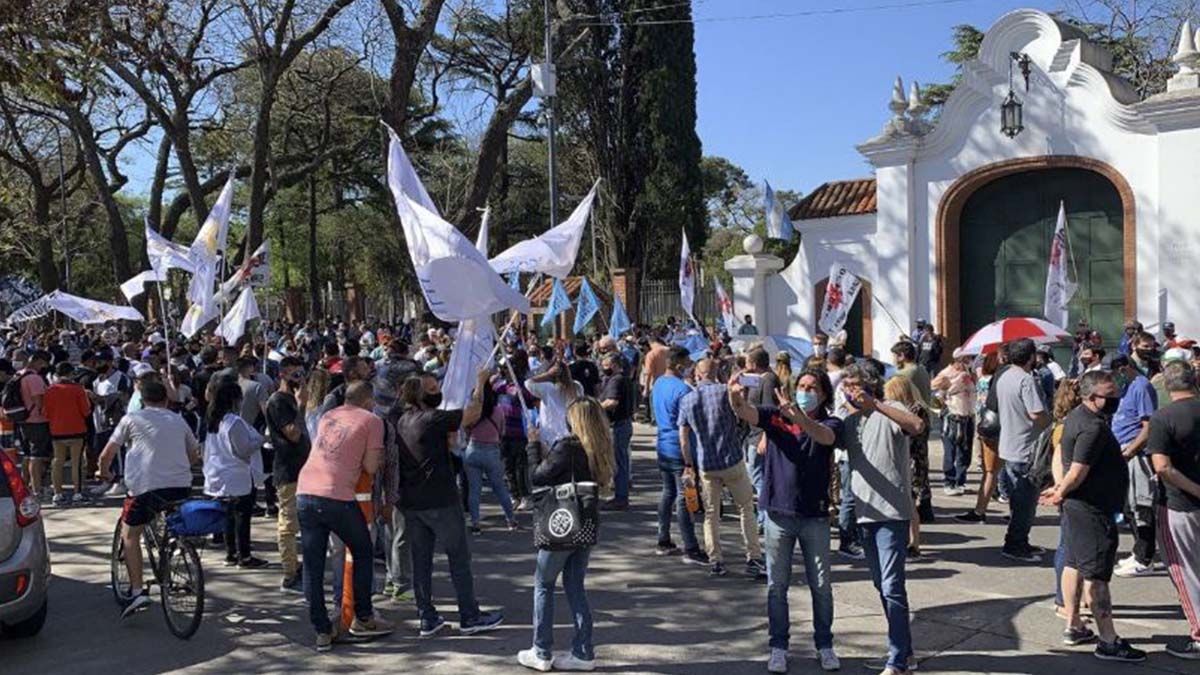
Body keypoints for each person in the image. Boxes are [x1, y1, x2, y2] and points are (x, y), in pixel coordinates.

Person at [730, 366, 843, 674]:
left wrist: (799, 418)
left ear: (822, 394)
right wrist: (735, 397)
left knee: (821, 586)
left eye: (812, 388)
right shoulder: (775, 416)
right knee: (776, 586)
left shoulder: (829, 420)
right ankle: (778, 646)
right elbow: (747, 413)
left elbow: (825, 437)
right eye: (802, 385)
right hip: (778, 514)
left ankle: (825, 644)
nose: (806, 391)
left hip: (815, 516)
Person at [1040, 370, 1146, 663]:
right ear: (1089, 397)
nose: (1115, 400)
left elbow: (1062, 457)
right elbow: (1077, 469)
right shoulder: (1092, 427)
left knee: (1074, 563)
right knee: (1097, 575)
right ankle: (1108, 640)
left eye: (1116, 394)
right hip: (1091, 510)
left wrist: (1061, 490)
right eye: (1108, 396)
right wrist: (1061, 491)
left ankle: (1073, 625)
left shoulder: (1077, 417)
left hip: (1079, 507)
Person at [396, 370, 504, 638]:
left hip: (413, 502)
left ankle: (427, 617)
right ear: (419, 395)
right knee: (458, 557)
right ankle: (469, 615)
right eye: (432, 389)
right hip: (440, 500)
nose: (437, 392)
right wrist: (479, 382)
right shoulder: (432, 418)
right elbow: (473, 413)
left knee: (421, 562)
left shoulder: (404, 420)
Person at [517, 398, 615, 672]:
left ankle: (541, 650)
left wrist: (533, 446)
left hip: (561, 521)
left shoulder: (569, 445)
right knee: (575, 588)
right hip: (586, 522)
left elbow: (537, 476)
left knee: (544, 584)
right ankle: (583, 651)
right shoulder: (599, 445)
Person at [839, 361, 925, 675]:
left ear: (870, 385)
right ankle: (905, 650)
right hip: (864, 514)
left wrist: (875, 403)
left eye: (853, 385)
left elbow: (916, 426)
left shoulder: (890, 408)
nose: (849, 391)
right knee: (881, 584)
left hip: (892, 513)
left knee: (892, 586)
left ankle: (897, 660)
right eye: (845, 385)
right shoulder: (849, 422)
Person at [298, 381, 394, 651]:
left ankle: (321, 629)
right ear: (368, 400)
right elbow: (371, 466)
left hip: (306, 490)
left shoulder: (329, 415)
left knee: (314, 564)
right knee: (363, 550)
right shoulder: (372, 421)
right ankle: (363, 616)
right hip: (337, 495)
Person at [98, 380, 199, 618]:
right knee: (171, 526)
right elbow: (194, 454)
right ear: (166, 400)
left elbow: (107, 454)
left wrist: (104, 472)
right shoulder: (178, 419)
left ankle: (136, 590)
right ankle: (175, 550)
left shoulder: (132, 419)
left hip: (145, 488)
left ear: (142, 400)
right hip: (180, 485)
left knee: (130, 534)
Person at [677, 359, 764, 578]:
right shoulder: (725, 391)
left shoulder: (687, 400)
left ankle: (716, 560)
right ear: (716, 373)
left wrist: (689, 464)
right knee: (745, 508)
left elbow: (684, 438)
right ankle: (754, 556)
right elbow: (741, 411)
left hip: (707, 463)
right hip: (732, 458)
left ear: (697, 374)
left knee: (711, 513)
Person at [1147, 361, 1200, 660]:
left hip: (1180, 505)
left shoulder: (1163, 417)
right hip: (1186, 502)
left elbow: (1162, 467)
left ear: (1167, 386)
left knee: (1184, 570)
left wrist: (1195, 490)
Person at [1103, 353, 1159, 578]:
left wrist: (1133, 449)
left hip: (1135, 454)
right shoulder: (1124, 388)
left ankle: (1145, 558)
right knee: (1128, 507)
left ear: (1124, 368)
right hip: (1122, 452)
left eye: (1113, 374)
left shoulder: (1141, 386)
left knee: (1141, 506)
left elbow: (1149, 425)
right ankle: (1139, 552)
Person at [203, 380, 268, 568]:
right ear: (234, 399)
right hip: (237, 475)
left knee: (229, 517)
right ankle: (244, 556)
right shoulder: (233, 422)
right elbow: (243, 450)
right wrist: (261, 439)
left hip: (220, 473)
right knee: (241, 518)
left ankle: (231, 553)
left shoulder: (214, 421)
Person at [995, 339, 1050, 562]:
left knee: (1019, 500)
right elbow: (1036, 413)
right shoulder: (1025, 380)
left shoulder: (1004, 375)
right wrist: (1052, 420)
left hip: (1010, 444)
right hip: (1026, 448)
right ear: (1030, 357)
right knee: (1025, 502)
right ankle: (1015, 544)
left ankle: (1020, 540)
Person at [651, 347, 704, 563]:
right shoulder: (683, 390)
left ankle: (663, 539)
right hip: (681, 448)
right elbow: (691, 423)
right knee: (684, 497)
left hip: (663, 445)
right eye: (687, 361)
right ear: (679, 364)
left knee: (668, 493)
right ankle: (690, 546)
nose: (690, 365)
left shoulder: (658, 384)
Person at [265, 356, 311, 592]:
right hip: (288, 470)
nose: (299, 378)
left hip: (305, 468)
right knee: (289, 524)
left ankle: (299, 565)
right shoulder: (278, 402)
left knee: (305, 521)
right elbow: (292, 433)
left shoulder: (292, 399)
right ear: (282, 374)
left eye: (301, 373)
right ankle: (289, 573)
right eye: (294, 374)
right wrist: (301, 404)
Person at [884, 376, 932, 557]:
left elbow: (910, 436)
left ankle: (914, 542)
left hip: (912, 460)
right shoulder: (916, 408)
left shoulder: (915, 411)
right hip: (912, 459)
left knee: (909, 503)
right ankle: (911, 540)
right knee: (908, 502)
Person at [463, 382, 518, 534]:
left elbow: (465, 428)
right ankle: (511, 520)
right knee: (500, 488)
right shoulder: (498, 411)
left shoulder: (472, 411)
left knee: (474, 490)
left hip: (473, 449)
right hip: (492, 451)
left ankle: (475, 523)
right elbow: (502, 431)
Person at [1049, 380, 1083, 619]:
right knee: (1068, 548)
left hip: (1067, 489)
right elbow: (1059, 462)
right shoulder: (1068, 428)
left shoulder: (1062, 425)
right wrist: (1062, 489)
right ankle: (1063, 600)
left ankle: (1070, 599)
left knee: (1069, 546)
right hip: (1070, 491)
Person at [742, 348, 781, 526]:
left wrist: (765, 436)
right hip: (753, 434)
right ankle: (765, 517)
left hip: (759, 436)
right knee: (757, 474)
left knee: (756, 475)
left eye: (748, 362)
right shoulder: (759, 379)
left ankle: (766, 517)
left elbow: (770, 411)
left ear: (754, 364)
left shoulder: (768, 380)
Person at [43, 362, 91, 505]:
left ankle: (58, 493)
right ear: (71, 373)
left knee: (58, 461)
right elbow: (86, 411)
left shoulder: (50, 390)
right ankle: (78, 493)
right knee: (77, 462)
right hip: (77, 429)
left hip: (57, 430)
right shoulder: (78, 389)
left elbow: (45, 413)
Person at [932, 349, 976, 496]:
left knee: (965, 450)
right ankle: (949, 481)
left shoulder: (969, 372)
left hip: (968, 414)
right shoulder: (946, 373)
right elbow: (934, 390)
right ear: (958, 359)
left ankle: (960, 480)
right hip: (952, 415)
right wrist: (952, 383)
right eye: (967, 358)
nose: (969, 360)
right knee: (950, 450)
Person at [599, 351, 635, 510]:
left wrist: (593, 407)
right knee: (621, 460)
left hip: (618, 425)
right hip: (623, 423)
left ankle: (621, 497)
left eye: (606, 366)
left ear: (614, 365)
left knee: (619, 462)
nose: (603, 369)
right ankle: (621, 494)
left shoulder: (616, 381)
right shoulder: (624, 379)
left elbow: (612, 402)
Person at [16, 350, 51, 499]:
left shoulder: (19, 375)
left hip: (22, 419)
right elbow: (39, 401)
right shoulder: (34, 378)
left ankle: (25, 486)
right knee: (37, 456)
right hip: (36, 420)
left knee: (27, 455)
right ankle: (36, 490)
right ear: (39, 361)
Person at [526, 360, 584, 447]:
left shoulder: (547, 389)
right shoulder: (577, 386)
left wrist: (547, 375)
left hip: (551, 436)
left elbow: (528, 383)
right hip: (572, 433)